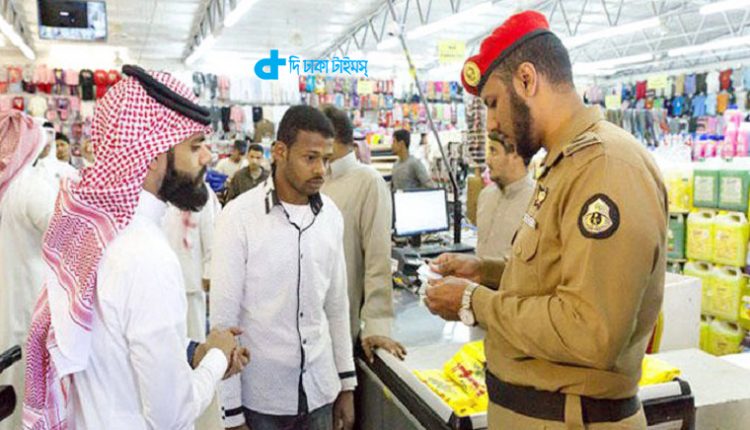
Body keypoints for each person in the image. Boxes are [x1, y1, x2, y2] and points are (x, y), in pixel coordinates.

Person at [424, 11, 667, 429]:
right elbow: (556, 277)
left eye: (493, 104)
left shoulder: (606, 167)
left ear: (526, 80)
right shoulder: (563, 165)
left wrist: (473, 302)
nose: (494, 123)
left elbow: (590, 331)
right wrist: (488, 273)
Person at [23, 65, 250, 430]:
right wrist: (218, 358)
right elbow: (170, 415)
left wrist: (192, 351)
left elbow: (112, 339)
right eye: (194, 147)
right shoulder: (147, 256)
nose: (206, 158)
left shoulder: (94, 228)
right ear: (154, 156)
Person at [212, 105, 356, 430]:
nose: (321, 169)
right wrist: (231, 414)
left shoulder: (330, 216)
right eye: (310, 158)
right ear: (279, 151)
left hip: (320, 391)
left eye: (326, 159)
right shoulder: (238, 218)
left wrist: (346, 385)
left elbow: (336, 306)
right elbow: (224, 324)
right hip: (263, 400)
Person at [320, 106, 405, 359]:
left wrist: (377, 324)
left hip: (345, 329)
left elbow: (377, 258)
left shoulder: (367, 182)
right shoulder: (317, 180)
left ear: (331, 140)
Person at [0, 111, 58, 430]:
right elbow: (69, 240)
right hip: (28, 311)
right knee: (26, 396)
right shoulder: (30, 187)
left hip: (8, 309)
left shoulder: (10, 187)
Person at [163, 187, 222, 343]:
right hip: (165, 279)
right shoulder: (165, 189)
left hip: (192, 279)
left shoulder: (203, 192)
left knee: (194, 336)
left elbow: (211, 235)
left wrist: (209, 271)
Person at [475, 133, 535, 260]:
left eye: (494, 152)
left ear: (515, 155)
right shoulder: (485, 195)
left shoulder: (536, 202)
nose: (488, 161)